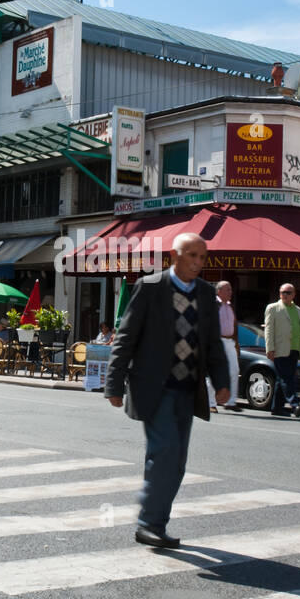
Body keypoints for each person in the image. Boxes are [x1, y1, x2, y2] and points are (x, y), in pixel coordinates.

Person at [106, 233, 229, 549]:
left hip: (188, 391)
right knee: (166, 452)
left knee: (176, 462)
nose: (198, 263)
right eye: (192, 256)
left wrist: (222, 382)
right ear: (175, 255)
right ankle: (149, 523)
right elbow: (126, 337)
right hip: (154, 388)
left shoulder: (205, 293)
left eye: (203, 257)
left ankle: (155, 524)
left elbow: (213, 343)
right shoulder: (150, 288)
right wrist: (114, 383)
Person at [264, 283, 300, 417]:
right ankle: (295, 405)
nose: (284, 295)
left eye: (288, 292)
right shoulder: (273, 308)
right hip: (280, 349)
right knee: (287, 378)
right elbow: (268, 330)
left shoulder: (299, 310)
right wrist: (270, 348)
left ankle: (277, 408)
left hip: (294, 349)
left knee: (281, 379)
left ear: (293, 294)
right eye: (282, 292)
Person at [206, 281, 241, 412]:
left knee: (234, 371)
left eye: (231, 289)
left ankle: (231, 402)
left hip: (229, 342)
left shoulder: (230, 306)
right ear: (219, 291)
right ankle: (211, 403)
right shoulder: (213, 305)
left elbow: (234, 326)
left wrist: (236, 343)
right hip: (216, 342)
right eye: (228, 290)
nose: (230, 292)